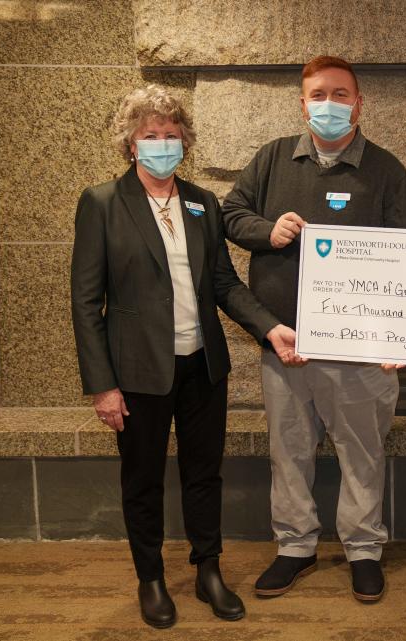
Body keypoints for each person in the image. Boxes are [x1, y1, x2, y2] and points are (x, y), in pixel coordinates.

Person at [71, 85, 299, 629]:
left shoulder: (201, 202)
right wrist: (103, 386)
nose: (162, 144)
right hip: (138, 373)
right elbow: (85, 301)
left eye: (171, 136)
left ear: (185, 144)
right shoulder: (102, 203)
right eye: (150, 136)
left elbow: (223, 283)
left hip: (202, 366)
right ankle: (150, 579)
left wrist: (270, 328)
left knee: (204, 475)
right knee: (143, 478)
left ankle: (208, 571)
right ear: (131, 145)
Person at [222, 55, 406, 603]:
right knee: (288, 451)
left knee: (362, 452)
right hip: (286, 344)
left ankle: (363, 550)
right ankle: (295, 547)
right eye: (318, 94)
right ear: (302, 101)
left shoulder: (385, 170)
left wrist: (399, 335)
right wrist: (271, 230)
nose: (329, 105)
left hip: (361, 350)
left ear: (359, 103)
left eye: (340, 94)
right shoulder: (271, 159)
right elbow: (230, 214)